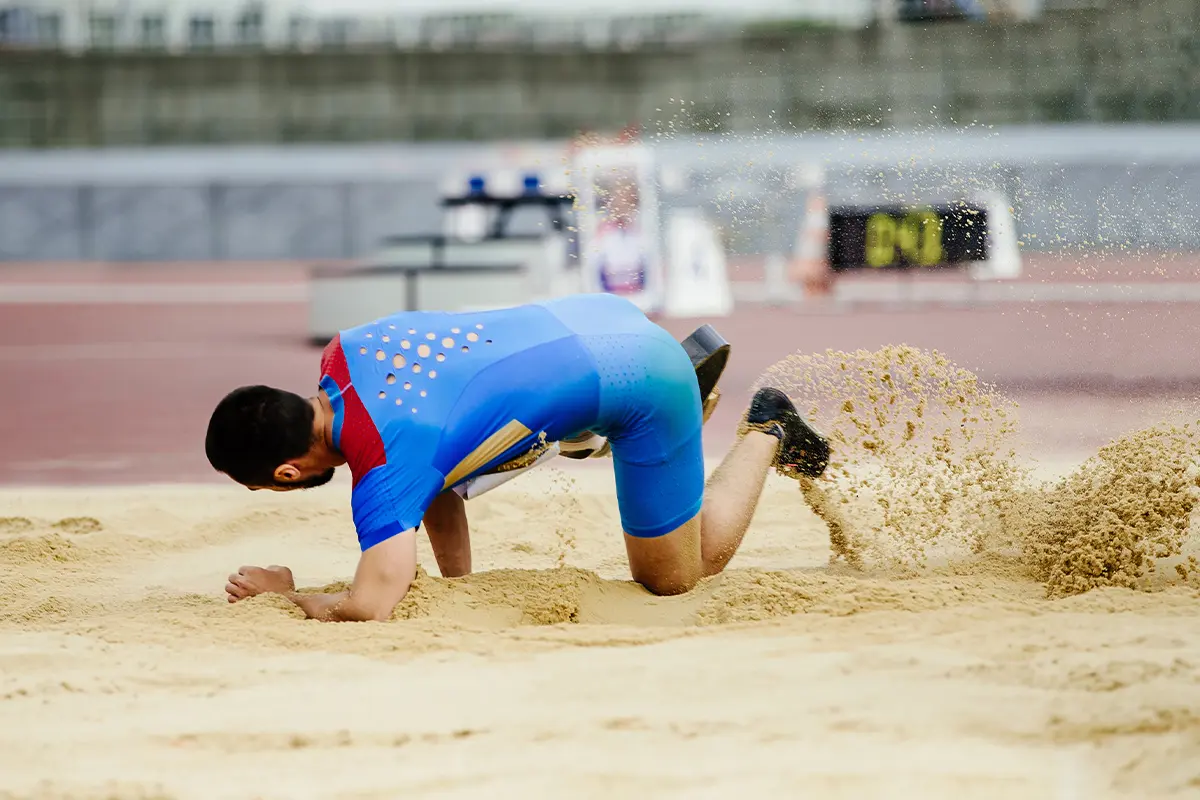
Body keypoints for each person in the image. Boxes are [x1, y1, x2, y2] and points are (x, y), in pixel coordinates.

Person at [204, 292, 829, 622]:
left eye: (271, 488)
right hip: (593, 315)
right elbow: (437, 484)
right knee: (478, 436)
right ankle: (595, 427)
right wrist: (459, 591)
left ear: (289, 472)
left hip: (639, 379)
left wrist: (284, 595)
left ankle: (768, 429)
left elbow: (371, 602)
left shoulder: (384, 464)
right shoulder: (343, 354)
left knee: (676, 577)